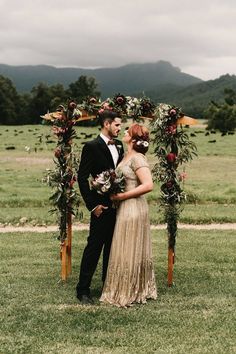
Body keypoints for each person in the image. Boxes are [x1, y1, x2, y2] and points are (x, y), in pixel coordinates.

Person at [100, 123, 157, 307]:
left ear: (133, 139)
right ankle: (122, 287)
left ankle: (132, 289)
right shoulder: (126, 156)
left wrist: (123, 195)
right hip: (123, 207)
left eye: (127, 131)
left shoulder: (138, 158)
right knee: (123, 245)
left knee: (129, 246)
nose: (124, 132)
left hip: (133, 207)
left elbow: (148, 185)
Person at [76, 110, 124, 304]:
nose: (120, 128)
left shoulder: (120, 145)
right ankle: (83, 289)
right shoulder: (91, 146)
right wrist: (92, 205)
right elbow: (82, 177)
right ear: (107, 124)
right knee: (94, 247)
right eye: (117, 125)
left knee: (112, 247)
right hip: (100, 207)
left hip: (118, 206)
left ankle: (107, 285)